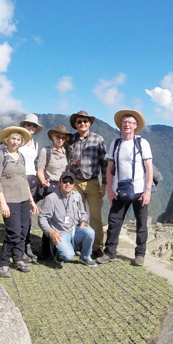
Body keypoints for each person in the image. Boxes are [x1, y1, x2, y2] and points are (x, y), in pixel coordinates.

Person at [102, 110, 153, 266]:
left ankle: (140, 254)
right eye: (124, 122)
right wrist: (110, 190)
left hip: (139, 190)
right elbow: (109, 168)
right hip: (120, 189)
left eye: (130, 123)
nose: (127, 125)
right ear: (120, 125)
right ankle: (110, 252)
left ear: (136, 126)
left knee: (141, 223)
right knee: (114, 221)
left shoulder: (141, 143)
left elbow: (149, 167)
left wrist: (148, 190)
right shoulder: (115, 144)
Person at [0, 126, 38, 277]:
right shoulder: (0, 155)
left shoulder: (21, 157)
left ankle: (18, 259)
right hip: (10, 200)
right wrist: (2, 203)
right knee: (14, 232)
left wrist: (31, 200)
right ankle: (3, 263)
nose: (15, 142)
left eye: (18, 139)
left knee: (24, 231)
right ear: (7, 139)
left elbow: (24, 180)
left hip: (24, 199)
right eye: (13, 138)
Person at [67, 111, 108, 260]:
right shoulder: (71, 140)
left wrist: (104, 183)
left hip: (92, 182)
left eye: (85, 121)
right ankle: (77, 244)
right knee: (76, 215)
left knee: (95, 215)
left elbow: (104, 163)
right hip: (75, 182)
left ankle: (97, 247)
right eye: (79, 122)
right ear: (76, 124)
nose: (82, 124)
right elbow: (67, 161)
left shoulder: (98, 139)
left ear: (89, 123)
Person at [37, 171, 97, 267]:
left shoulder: (77, 196)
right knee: (68, 256)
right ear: (59, 183)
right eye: (65, 181)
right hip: (60, 233)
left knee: (90, 232)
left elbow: (83, 213)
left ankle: (85, 257)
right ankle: (57, 251)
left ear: (74, 184)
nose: (68, 184)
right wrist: (51, 232)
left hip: (74, 230)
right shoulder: (51, 198)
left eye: (71, 181)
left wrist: (84, 221)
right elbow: (42, 219)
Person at [36, 124, 72, 260]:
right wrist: (43, 181)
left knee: (62, 217)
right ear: (53, 136)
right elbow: (40, 170)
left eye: (63, 137)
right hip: (51, 186)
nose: (61, 139)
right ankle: (45, 250)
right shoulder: (46, 151)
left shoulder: (66, 152)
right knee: (49, 217)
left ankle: (59, 247)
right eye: (58, 137)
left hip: (63, 187)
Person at [18, 113, 44, 260]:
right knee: (22, 214)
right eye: (29, 125)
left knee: (27, 216)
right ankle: (20, 248)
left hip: (32, 180)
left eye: (34, 125)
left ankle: (27, 245)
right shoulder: (19, 141)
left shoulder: (35, 144)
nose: (31, 128)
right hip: (20, 180)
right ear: (24, 126)